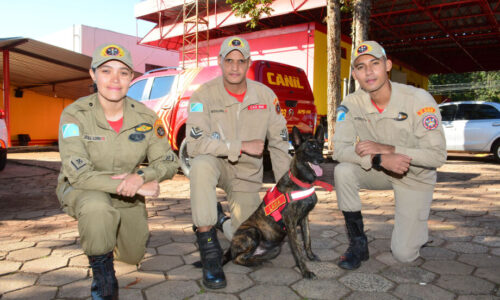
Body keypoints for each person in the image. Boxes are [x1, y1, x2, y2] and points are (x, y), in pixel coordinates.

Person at [56, 43, 178, 300]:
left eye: (123, 72)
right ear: (93, 74)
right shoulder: (75, 114)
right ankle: (102, 276)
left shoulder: (146, 117)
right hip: (83, 188)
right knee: (97, 208)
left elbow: (169, 161)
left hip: (127, 193)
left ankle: (105, 234)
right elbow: (79, 174)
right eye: (106, 71)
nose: (115, 79)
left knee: (133, 256)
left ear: (131, 78)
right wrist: (139, 186)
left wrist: (142, 177)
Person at [185, 36, 291, 289]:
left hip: (246, 176)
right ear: (220, 61)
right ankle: (209, 248)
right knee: (200, 165)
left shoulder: (265, 95)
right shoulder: (203, 95)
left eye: (240, 61)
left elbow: (279, 143)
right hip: (217, 165)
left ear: (248, 63)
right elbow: (195, 145)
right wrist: (241, 146)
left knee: (260, 245)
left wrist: (286, 191)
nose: (234, 67)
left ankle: (222, 221)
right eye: (229, 61)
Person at [333, 41, 447, 270]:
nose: (369, 72)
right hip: (381, 170)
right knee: (342, 171)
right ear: (355, 73)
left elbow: (437, 156)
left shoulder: (418, 99)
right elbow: (339, 150)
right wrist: (377, 159)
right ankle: (357, 244)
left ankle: (415, 227)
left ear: (388, 65)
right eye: (361, 67)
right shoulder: (351, 103)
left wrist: (390, 149)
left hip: (415, 176)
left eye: (375, 64)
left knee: (404, 254)